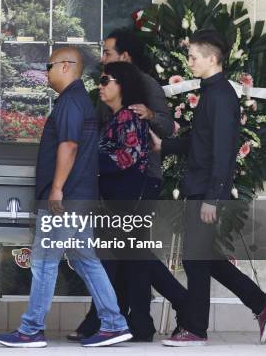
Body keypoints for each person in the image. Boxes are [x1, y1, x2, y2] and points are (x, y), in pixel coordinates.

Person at [0, 47, 132, 348]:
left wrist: (56, 188)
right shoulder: (77, 100)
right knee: (86, 262)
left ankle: (31, 329)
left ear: (67, 67)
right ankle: (113, 323)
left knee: (44, 262)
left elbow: (68, 146)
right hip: (78, 197)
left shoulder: (71, 101)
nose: (46, 72)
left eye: (49, 65)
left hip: (65, 199)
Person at [150, 29, 266, 346]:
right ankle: (260, 302)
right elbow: (200, 142)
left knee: (196, 259)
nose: (190, 62)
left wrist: (213, 199)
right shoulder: (212, 93)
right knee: (202, 257)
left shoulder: (221, 96)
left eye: (193, 56)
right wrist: (162, 146)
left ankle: (196, 329)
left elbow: (224, 152)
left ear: (211, 58)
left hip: (205, 191)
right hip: (199, 185)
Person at [72, 30, 188, 341]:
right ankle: (120, 320)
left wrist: (150, 114)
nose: (102, 58)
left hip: (140, 181)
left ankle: (132, 318)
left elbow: (164, 128)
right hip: (120, 185)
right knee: (128, 254)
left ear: (125, 56)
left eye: (108, 52)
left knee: (131, 254)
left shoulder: (144, 86)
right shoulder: (110, 95)